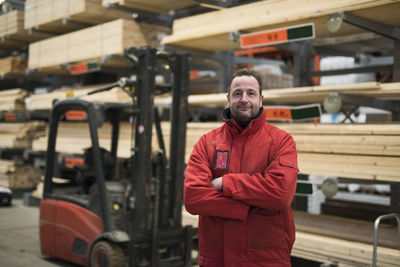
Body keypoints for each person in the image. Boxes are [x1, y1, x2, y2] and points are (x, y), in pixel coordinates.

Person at [184, 68, 299, 267]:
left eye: (251, 93)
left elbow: (280, 194)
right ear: (228, 98)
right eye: (237, 93)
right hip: (216, 258)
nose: (244, 99)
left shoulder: (281, 142)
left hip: (265, 259)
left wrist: (226, 183)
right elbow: (193, 198)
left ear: (261, 99)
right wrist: (247, 206)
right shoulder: (207, 143)